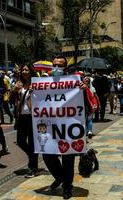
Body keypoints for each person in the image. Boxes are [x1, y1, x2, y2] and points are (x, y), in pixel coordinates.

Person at [42, 56, 88, 199]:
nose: (56, 68)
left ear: (66, 68)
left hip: (68, 126)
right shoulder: (43, 83)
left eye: (59, 66)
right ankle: (61, 177)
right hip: (51, 127)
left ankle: (67, 187)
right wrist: (33, 92)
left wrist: (83, 90)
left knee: (68, 158)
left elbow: (84, 105)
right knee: (47, 154)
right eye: (54, 65)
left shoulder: (74, 83)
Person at [14, 64, 39, 178]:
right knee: (20, 141)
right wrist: (14, 91)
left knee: (33, 143)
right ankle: (33, 157)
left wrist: (35, 91)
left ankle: (33, 168)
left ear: (31, 71)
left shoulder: (36, 84)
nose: (24, 71)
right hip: (21, 117)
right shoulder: (20, 84)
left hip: (32, 116)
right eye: (23, 70)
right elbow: (13, 99)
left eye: (26, 69)